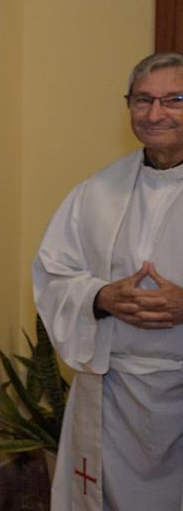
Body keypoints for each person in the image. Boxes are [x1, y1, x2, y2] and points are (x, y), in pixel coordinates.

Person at [33, 52, 183, 511]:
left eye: (173, 100)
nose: (155, 114)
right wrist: (99, 297)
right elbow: (53, 273)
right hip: (111, 398)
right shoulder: (96, 192)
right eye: (143, 100)